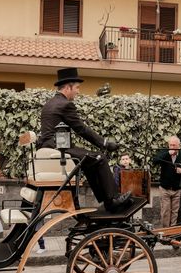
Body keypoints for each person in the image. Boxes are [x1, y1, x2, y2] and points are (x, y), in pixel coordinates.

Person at [37, 67, 131, 212]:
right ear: (68, 87)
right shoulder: (65, 105)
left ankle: (107, 200)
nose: (78, 91)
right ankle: (112, 200)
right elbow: (81, 129)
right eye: (77, 87)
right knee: (99, 158)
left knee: (90, 160)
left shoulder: (49, 104)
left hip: (50, 148)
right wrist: (105, 143)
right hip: (59, 149)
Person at [153, 136, 181, 228]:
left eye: (174, 145)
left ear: (178, 146)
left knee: (175, 212)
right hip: (165, 188)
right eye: (170, 145)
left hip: (177, 188)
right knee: (165, 211)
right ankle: (166, 231)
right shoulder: (164, 153)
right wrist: (168, 153)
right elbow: (155, 161)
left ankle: (173, 231)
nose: (172, 147)